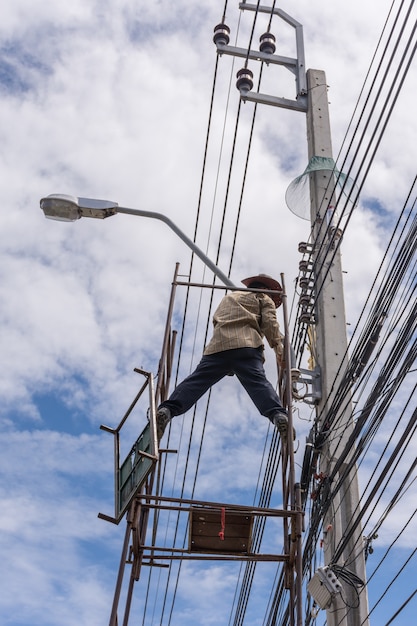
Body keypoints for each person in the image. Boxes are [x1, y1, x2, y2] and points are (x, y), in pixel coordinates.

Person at [156, 273, 292, 441]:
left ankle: (167, 409)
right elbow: (270, 324)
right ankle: (278, 415)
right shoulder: (263, 297)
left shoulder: (230, 297)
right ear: (265, 289)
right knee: (258, 383)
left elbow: (217, 321)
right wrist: (279, 350)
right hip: (247, 345)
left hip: (217, 348)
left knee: (196, 381)